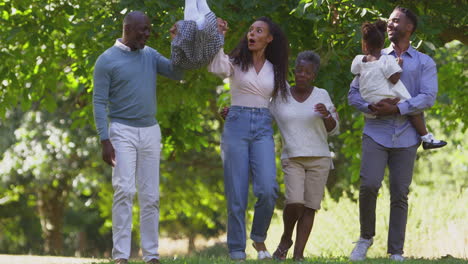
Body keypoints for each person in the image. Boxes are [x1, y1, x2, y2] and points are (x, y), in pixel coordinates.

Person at [348, 7, 441, 261]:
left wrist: (398, 108)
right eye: (388, 20)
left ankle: (396, 251)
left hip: (407, 136)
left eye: (395, 20)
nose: (390, 24)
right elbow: (353, 94)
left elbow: (428, 97)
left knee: (400, 193)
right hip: (375, 132)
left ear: (409, 27)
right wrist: (371, 108)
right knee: (368, 185)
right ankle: (365, 238)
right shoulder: (371, 55)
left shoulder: (424, 62)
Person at [93, 11, 183, 264]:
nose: (147, 34)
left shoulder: (150, 54)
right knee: (123, 190)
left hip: (150, 131)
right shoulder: (106, 61)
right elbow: (99, 102)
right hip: (121, 132)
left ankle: (151, 256)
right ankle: (121, 256)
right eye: (142, 30)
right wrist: (104, 139)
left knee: (151, 196)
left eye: (149, 30)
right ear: (128, 28)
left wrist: (177, 43)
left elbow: (177, 73)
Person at [208, 17, 289, 260]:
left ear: (269, 38)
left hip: (263, 127)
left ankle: (258, 238)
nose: (252, 34)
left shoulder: (275, 70)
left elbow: (282, 105)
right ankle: (235, 249)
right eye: (250, 30)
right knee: (237, 193)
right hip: (236, 126)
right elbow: (216, 67)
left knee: (268, 189)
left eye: (259, 31)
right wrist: (218, 36)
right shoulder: (235, 62)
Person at [270, 51, 339, 261]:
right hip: (292, 157)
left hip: (319, 158)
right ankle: (286, 238)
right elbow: (261, 117)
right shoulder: (280, 96)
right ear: (294, 71)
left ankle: (298, 255)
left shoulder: (322, 94)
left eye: (307, 72)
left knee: (310, 207)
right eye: (298, 70)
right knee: (295, 201)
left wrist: (326, 115)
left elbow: (333, 129)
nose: (301, 74)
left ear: (313, 75)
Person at [351, 20, 446, 150]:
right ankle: (426, 137)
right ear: (382, 43)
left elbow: (356, 72)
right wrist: (398, 66)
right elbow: (394, 79)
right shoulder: (386, 59)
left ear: (365, 46)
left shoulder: (359, 60)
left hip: (369, 101)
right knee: (411, 106)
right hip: (388, 98)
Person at [170, 0, 224, 70]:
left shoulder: (205, 61)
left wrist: (221, 29)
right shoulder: (179, 62)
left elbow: (219, 43)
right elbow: (176, 47)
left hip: (209, 25)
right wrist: (173, 35)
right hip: (190, 30)